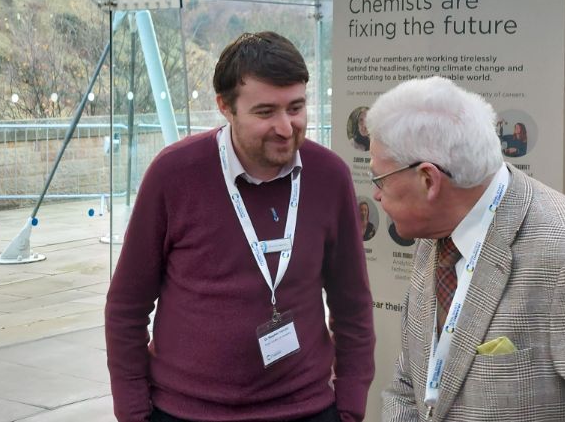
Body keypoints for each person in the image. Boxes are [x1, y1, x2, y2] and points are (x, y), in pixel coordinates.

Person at [367, 76, 565, 422]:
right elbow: (410, 381)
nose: (376, 194)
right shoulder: (434, 228)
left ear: (429, 180)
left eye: (380, 179)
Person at [105, 31, 375, 422]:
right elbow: (126, 308)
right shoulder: (174, 174)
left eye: (296, 108)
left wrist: (350, 407)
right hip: (187, 412)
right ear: (225, 107)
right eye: (265, 112)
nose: (286, 127)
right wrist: (133, 413)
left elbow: (353, 305)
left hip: (306, 408)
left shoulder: (329, 176)